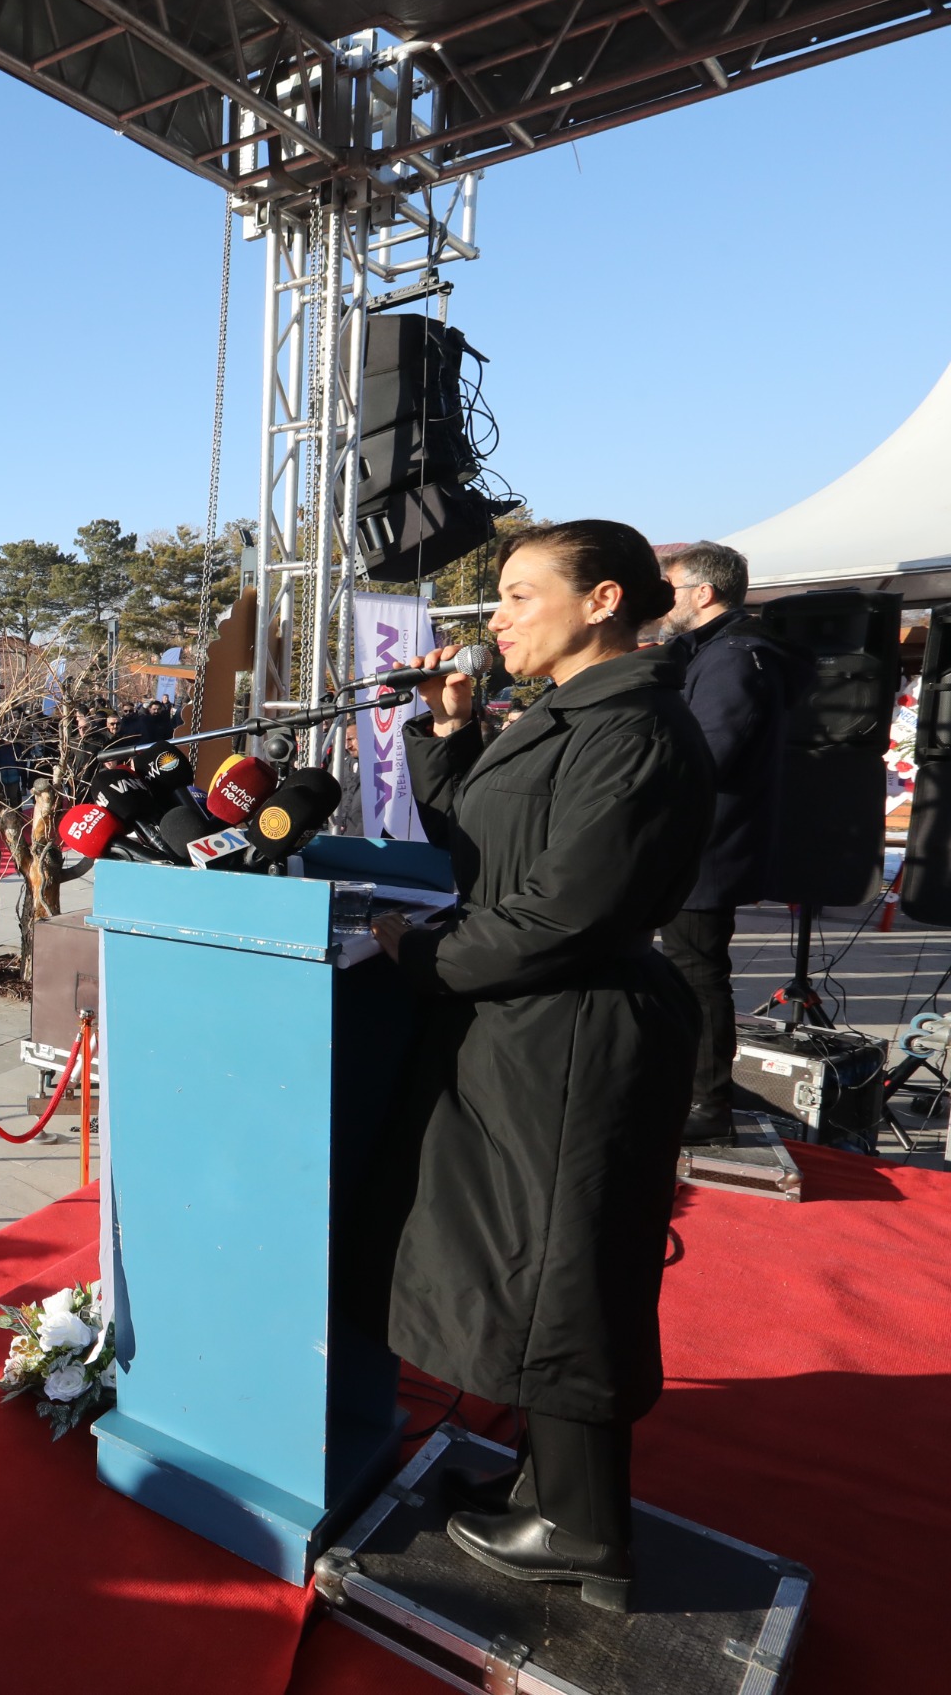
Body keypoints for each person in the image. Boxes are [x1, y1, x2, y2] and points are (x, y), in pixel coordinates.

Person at [358, 520, 712, 1612]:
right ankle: (550, 1482)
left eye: (516, 595)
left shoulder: (635, 730)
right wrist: (445, 735)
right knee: (530, 1254)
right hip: (522, 1025)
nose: (494, 619)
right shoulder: (568, 715)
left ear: (601, 600)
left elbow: (561, 910)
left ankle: (582, 1531)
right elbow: (486, 840)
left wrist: (420, 951)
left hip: (572, 1029)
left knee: (564, 1270)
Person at [654, 541, 798, 1141]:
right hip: (699, 839)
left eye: (671, 592)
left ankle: (706, 1105)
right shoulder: (716, 652)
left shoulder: (734, 657)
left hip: (706, 846)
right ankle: (689, 1093)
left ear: (704, 594)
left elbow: (706, 753)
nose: (664, 605)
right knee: (688, 970)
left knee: (697, 972)